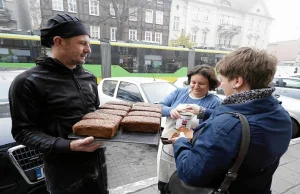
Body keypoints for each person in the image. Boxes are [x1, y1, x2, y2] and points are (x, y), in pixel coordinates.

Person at [9, 14, 108, 194]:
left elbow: (95, 115)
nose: (89, 50)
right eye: (82, 43)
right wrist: (67, 145)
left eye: (89, 43)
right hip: (63, 174)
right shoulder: (28, 82)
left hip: (98, 167)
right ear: (59, 42)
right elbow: (22, 132)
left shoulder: (89, 78)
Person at [170, 47, 292, 194]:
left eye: (222, 79)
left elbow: (191, 173)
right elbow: (246, 117)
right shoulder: (280, 114)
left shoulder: (226, 127)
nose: (220, 85)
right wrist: (203, 112)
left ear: (237, 81)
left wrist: (181, 140)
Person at [157, 64, 222, 194]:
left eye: (201, 84)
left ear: (210, 85)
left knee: (182, 184)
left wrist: (203, 111)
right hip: (168, 144)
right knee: (164, 182)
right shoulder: (179, 93)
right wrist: (171, 110)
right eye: (193, 82)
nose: (196, 86)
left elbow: (220, 119)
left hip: (192, 150)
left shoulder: (214, 101)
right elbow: (159, 107)